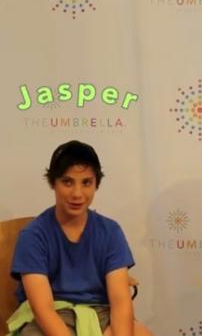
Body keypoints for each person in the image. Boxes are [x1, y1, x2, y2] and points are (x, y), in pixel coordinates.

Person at [8, 140, 153, 336]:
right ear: (53, 183)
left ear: (96, 184)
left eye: (86, 183)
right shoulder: (33, 236)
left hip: (102, 314)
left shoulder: (110, 231)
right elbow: (43, 310)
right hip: (54, 317)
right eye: (67, 182)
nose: (77, 194)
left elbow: (120, 303)